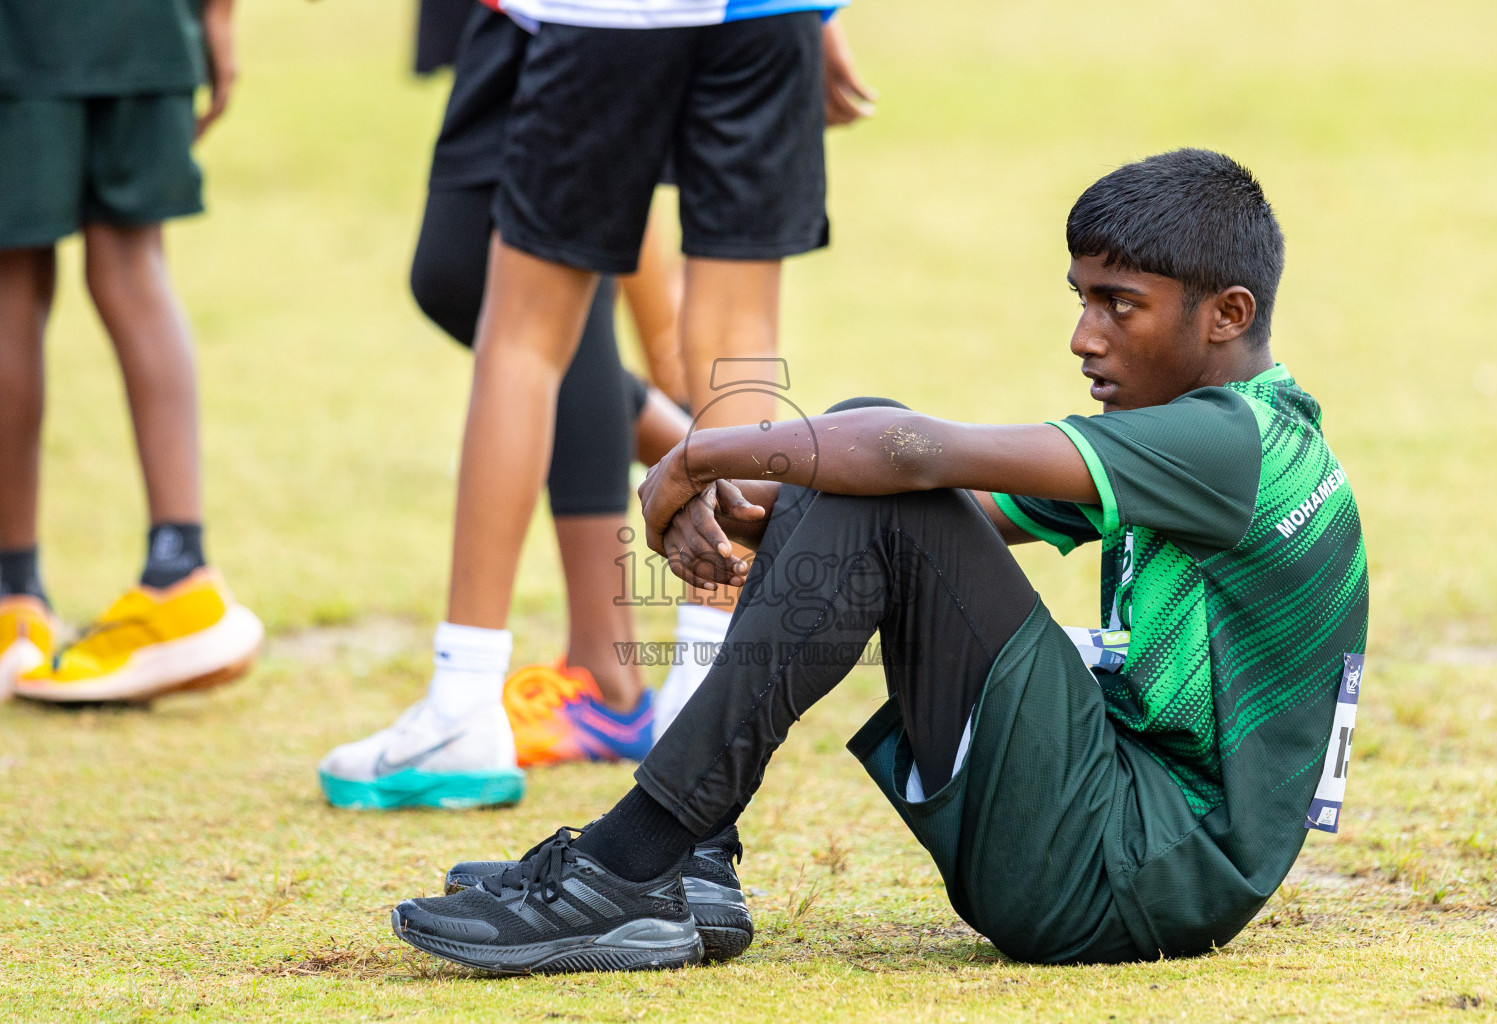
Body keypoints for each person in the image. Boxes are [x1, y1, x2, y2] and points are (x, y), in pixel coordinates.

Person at [387, 150, 1371, 973]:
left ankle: (634, 856)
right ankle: (686, 854)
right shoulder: (1223, 431)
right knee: (857, 450)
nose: (1084, 336)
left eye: (1121, 305)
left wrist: (692, 453)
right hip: (1129, 844)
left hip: (1134, 873)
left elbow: (918, 460)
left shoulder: (1231, 445)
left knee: (873, 446)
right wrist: (760, 510)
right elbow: (922, 520)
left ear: (1227, 314)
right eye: (1083, 300)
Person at [319, 0, 873, 806]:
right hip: (766, 12)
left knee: (523, 338)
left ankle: (462, 705)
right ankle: (703, 701)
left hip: (608, 15)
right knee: (738, 331)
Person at [0, 0, 263, 703]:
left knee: (9, 279)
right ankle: (180, 574)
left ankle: (11, 599)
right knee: (133, 260)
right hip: (148, 21)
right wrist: (219, 13)